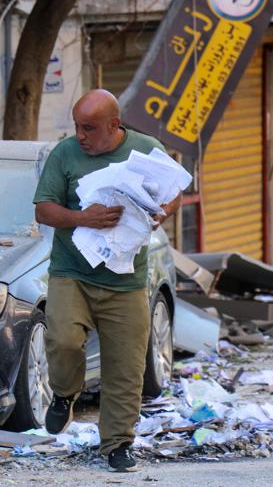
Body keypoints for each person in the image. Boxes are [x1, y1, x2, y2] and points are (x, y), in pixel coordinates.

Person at [32, 89, 182, 472]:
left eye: (89, 128)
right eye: (77, 126)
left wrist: (161, 213)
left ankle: (117, 445)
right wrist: (85, 218)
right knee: (62, 339)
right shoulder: (64, 154)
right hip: (73, 272)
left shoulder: (146, 150)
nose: (80, 135)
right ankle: (64, 395)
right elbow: (44, 211)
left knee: (126, 366)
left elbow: (174, 193)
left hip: (126, 280)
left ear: (114, 125)